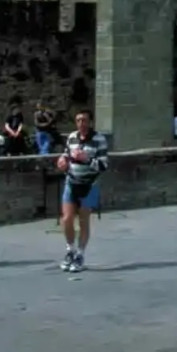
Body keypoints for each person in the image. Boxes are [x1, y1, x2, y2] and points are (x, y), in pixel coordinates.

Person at [57, 110, 109, 272]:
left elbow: (103, 165)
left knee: (83, 221)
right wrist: (62, 161)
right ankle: (70, 250)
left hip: (90, 185)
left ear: (90, 122)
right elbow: (66, 155)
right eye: (78, 120)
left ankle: (80, 254)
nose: (81, 124)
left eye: (85, 120)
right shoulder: (72, 137)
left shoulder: (99, 140)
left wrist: (87, 159)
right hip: (71, 182)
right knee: (66, 219)